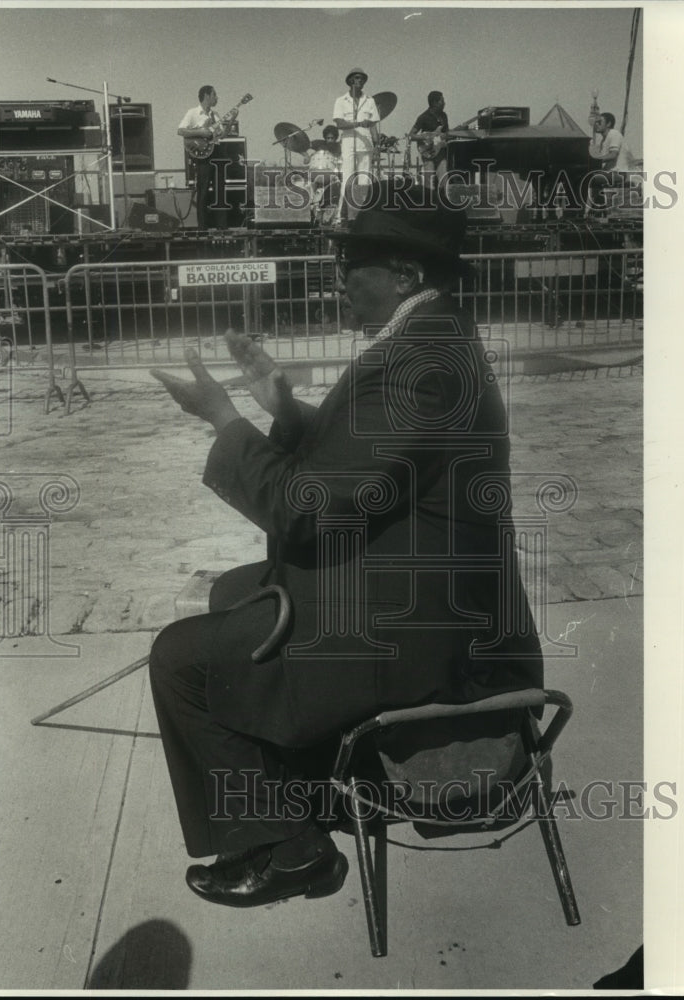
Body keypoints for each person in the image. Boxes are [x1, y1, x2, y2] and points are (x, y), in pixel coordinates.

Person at [148, 182, 544, 910]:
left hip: (418, 637)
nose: (339, 274)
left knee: (180, 659)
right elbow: (360, 474)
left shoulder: (419, 364)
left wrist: (225, 420)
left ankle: (292, 852)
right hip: (420, 598)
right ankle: (299, 800)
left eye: (352, 260)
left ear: (405, 275)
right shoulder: (431, 338)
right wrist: (283, 408)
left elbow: (306, 509)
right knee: (238, 593)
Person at [333, 68, 379, 221]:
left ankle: (361, 217)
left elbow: (373, 125)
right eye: (358, 78)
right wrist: (358, 123)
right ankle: (342, 216)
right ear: (351, 80)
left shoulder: (370, 101)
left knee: (364, 180)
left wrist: (377, 143)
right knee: (347, 179)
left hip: (366, 144)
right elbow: (339, 123)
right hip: (348, 143)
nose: (361, 81)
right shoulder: (341, 100)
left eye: (363, 79)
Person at [178, 85, 222, 229]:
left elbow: (222, 134)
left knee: (219, 190)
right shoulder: (193, 113)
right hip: (202, 157)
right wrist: (201, 133)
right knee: (202, 191)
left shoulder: (215, 115)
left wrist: (231, 119)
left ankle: (220, 225)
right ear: (207, 96)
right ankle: (202, 227)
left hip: (215, 154)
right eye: (214, 95)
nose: (217, 98)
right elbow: (181, 130)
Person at [585, 112, 638, 213]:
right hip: (611, 173)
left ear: (608, 124)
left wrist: (594, 162)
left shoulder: (614, 134)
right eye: (596, 122)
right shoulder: (603, 141)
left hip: (619, 173)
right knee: (589, 177)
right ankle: (598, 208)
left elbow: (613, 155)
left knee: (589, 178)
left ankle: (594, 209)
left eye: (599, 122)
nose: (596, 124)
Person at [410, 90, 450, 188]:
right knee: (429, 182)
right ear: (434, 103)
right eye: (442, 101)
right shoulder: (423, 117)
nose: (444, 103)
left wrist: (447, 137)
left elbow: (447, 133)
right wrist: (426, 137)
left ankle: (443, 201)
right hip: (428, 152)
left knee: (444, 180)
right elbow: (411, 135)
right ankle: (429, 202)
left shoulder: (443, 116)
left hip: (441, 152)